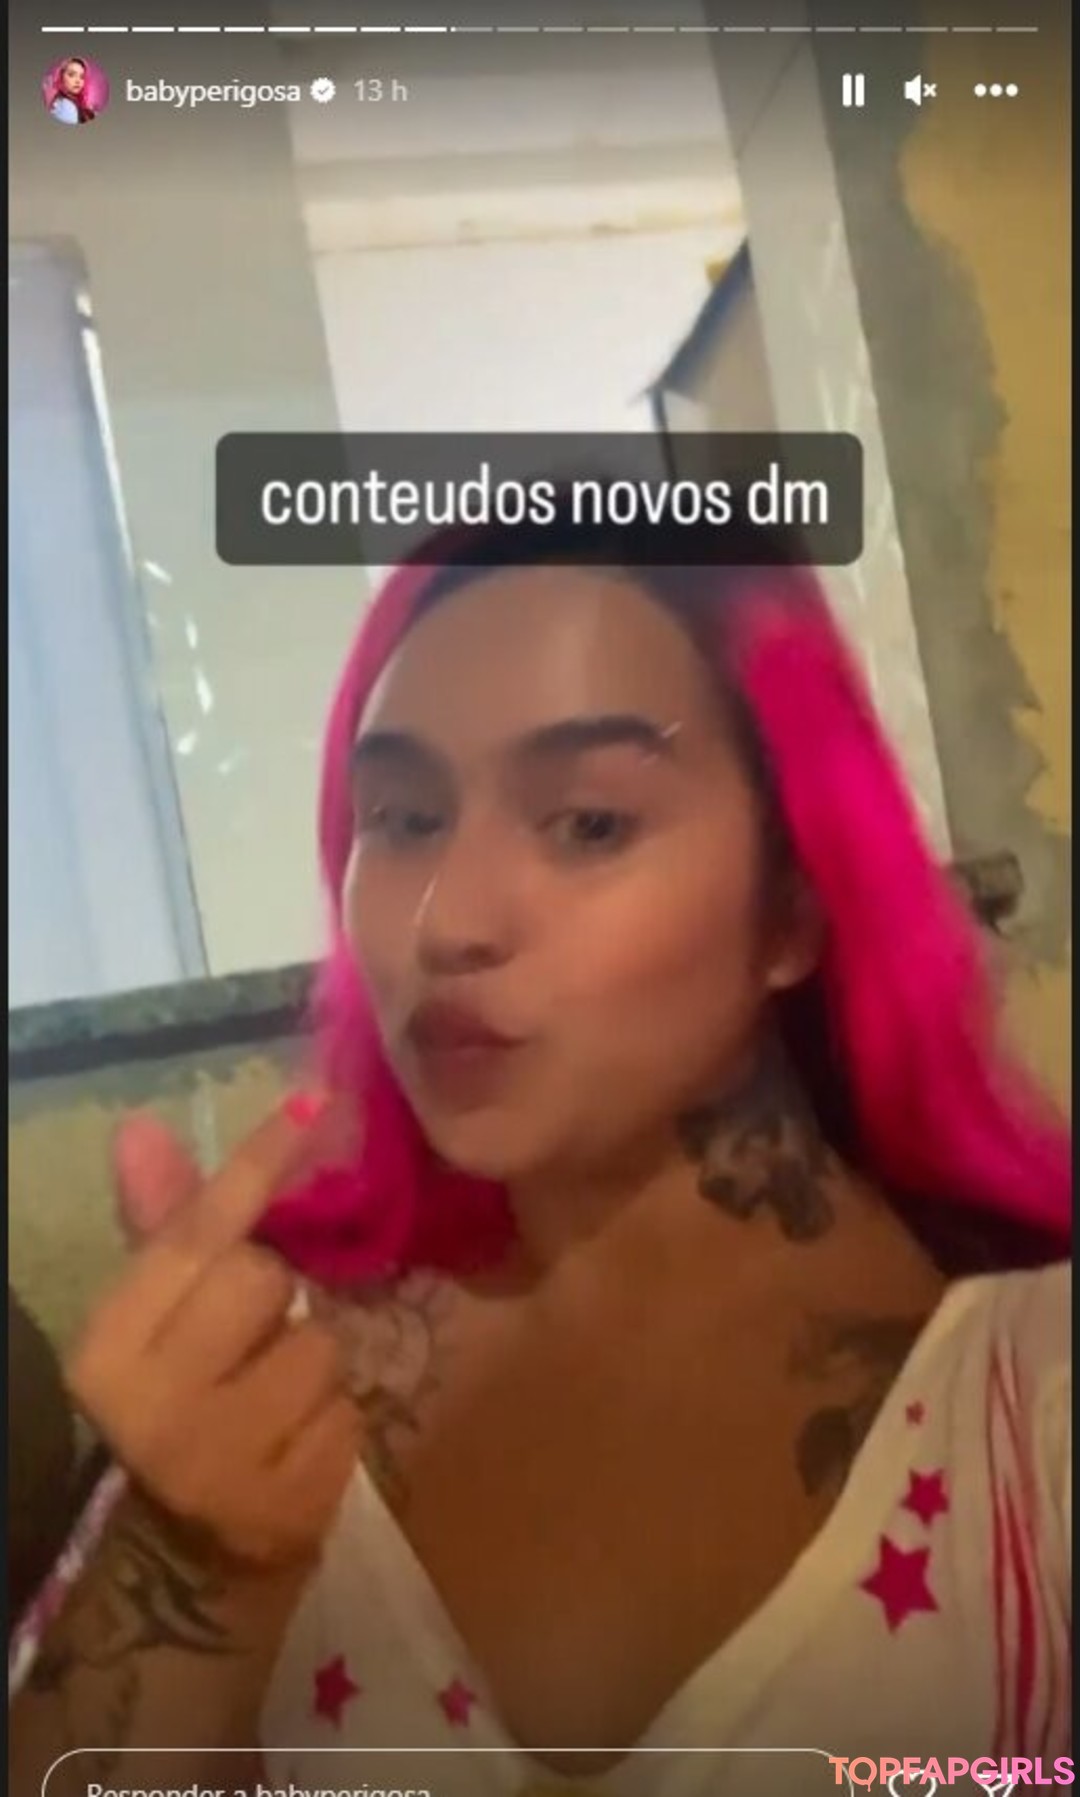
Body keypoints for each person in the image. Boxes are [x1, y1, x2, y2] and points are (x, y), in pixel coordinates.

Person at [9, 518, 1071, 1796]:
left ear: (794, 904)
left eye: (588, 824)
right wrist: (196, 1566)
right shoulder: (258, 1390)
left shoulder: (1029, 1402)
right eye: (402, 818)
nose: (445, 921)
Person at [46, 57, 96, 126]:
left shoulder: (74, 102)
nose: (78, 81)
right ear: (61, 77)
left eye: (82, 77)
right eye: (72, 75)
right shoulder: (66, 106)